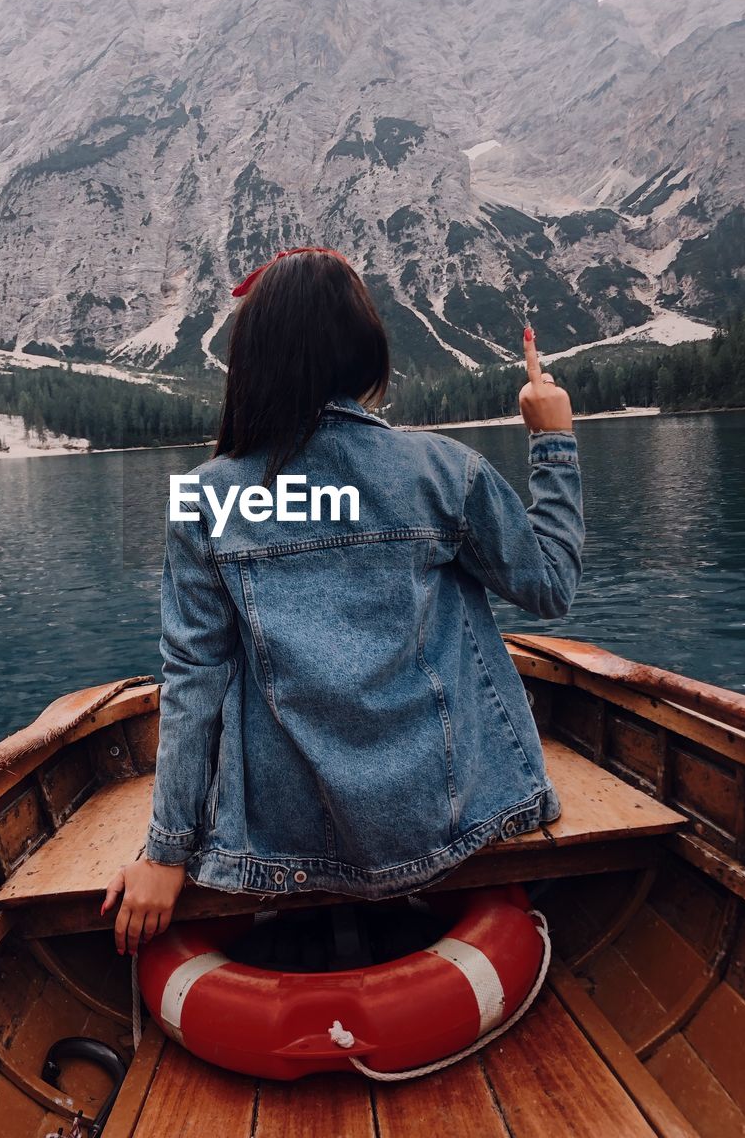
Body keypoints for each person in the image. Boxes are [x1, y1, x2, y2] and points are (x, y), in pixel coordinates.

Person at [102, 247, 584, 955]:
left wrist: (166, 855)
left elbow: (192, 685)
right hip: (446, 814)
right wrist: (553, 438)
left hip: (280, 839)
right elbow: (551, 588)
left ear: (254, 362)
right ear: (366, 355)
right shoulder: (446, 471)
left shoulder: (202, 499)